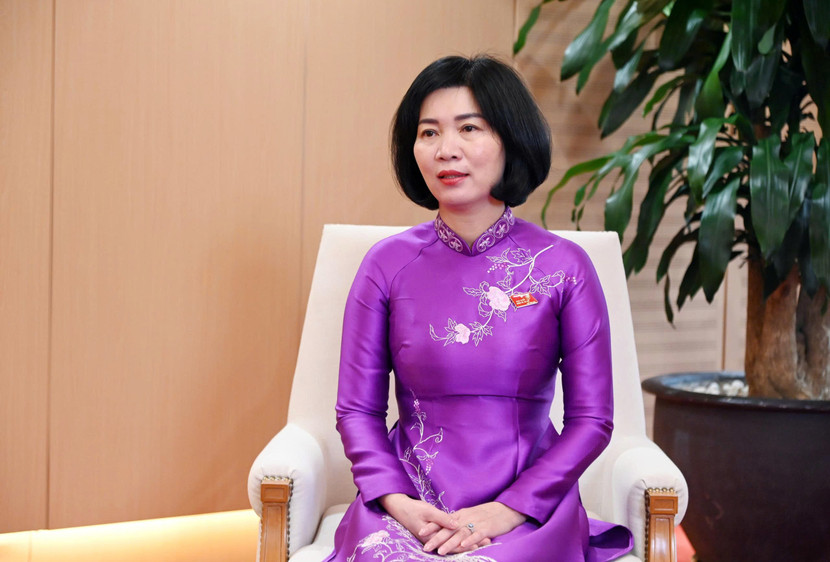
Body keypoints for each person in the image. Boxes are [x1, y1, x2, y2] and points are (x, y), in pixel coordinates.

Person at [324, 55, 634, 561]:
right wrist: (399, 503)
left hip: (527, 506)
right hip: (407, 500)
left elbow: (592, 419)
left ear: (511, 139)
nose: (446, 149)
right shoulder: (385, 265)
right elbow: (357, 410)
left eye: (469, 128)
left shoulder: (564, 268)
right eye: (429, 132)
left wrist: (508, 510)